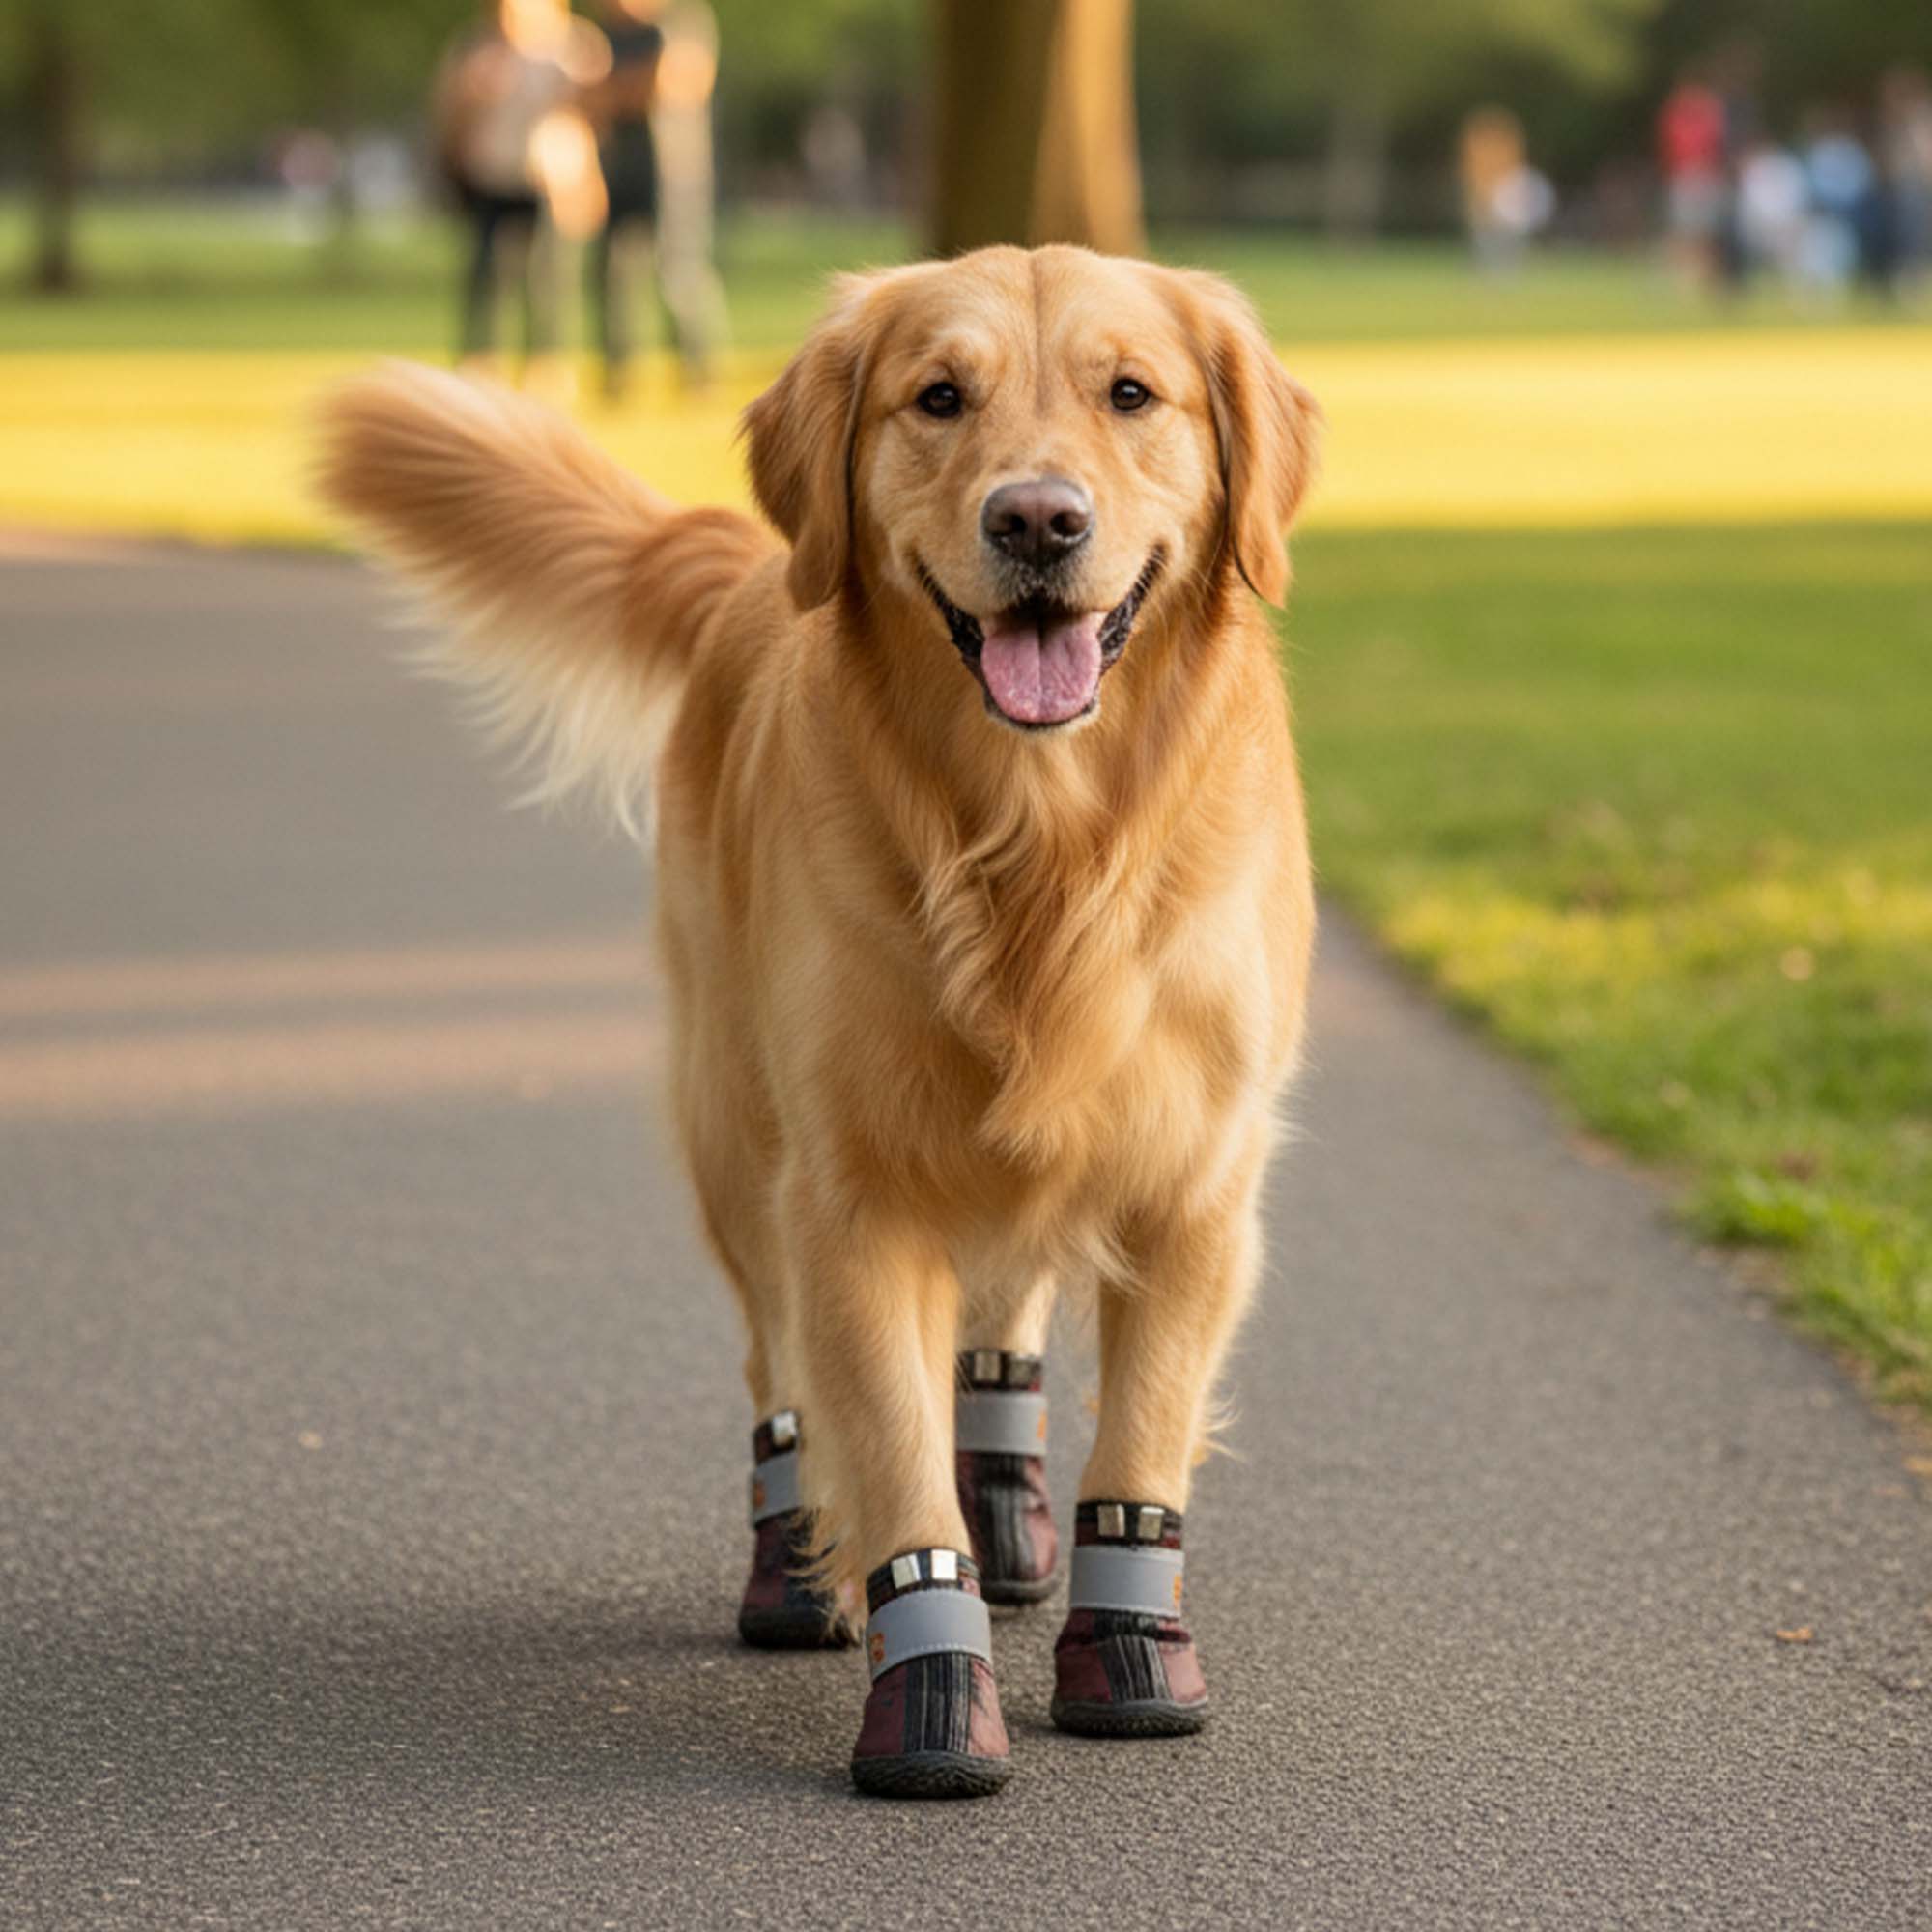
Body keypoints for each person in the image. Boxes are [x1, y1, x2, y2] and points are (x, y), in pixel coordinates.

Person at [432, 0, 609, 387]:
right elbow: (450, 112)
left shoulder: (574, 47)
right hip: (493, 174)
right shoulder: (478, 48)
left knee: (548, 279)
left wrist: (588, 180)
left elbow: (594, 116)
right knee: (488, 275)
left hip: (551, 181)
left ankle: (547, 362)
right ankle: (480, 360)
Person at [585, 0, 667, 402]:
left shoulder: (662, 32)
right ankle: (618, 369)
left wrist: (607, 89)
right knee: (609, 277)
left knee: (673, 274)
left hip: (659, 175)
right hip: (610, 171)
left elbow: (650, 91)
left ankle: (696, 365)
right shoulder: (601, 37)